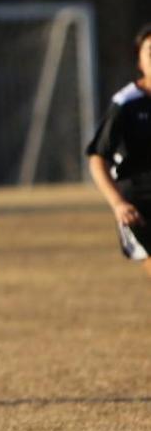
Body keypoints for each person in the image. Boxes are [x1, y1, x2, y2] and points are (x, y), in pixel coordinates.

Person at [86, 23, 151, 278]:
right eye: (150, 52)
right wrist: (118, 204)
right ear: (139, 60)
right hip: (139, 208)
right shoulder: (126, 103)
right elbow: (97, 157)